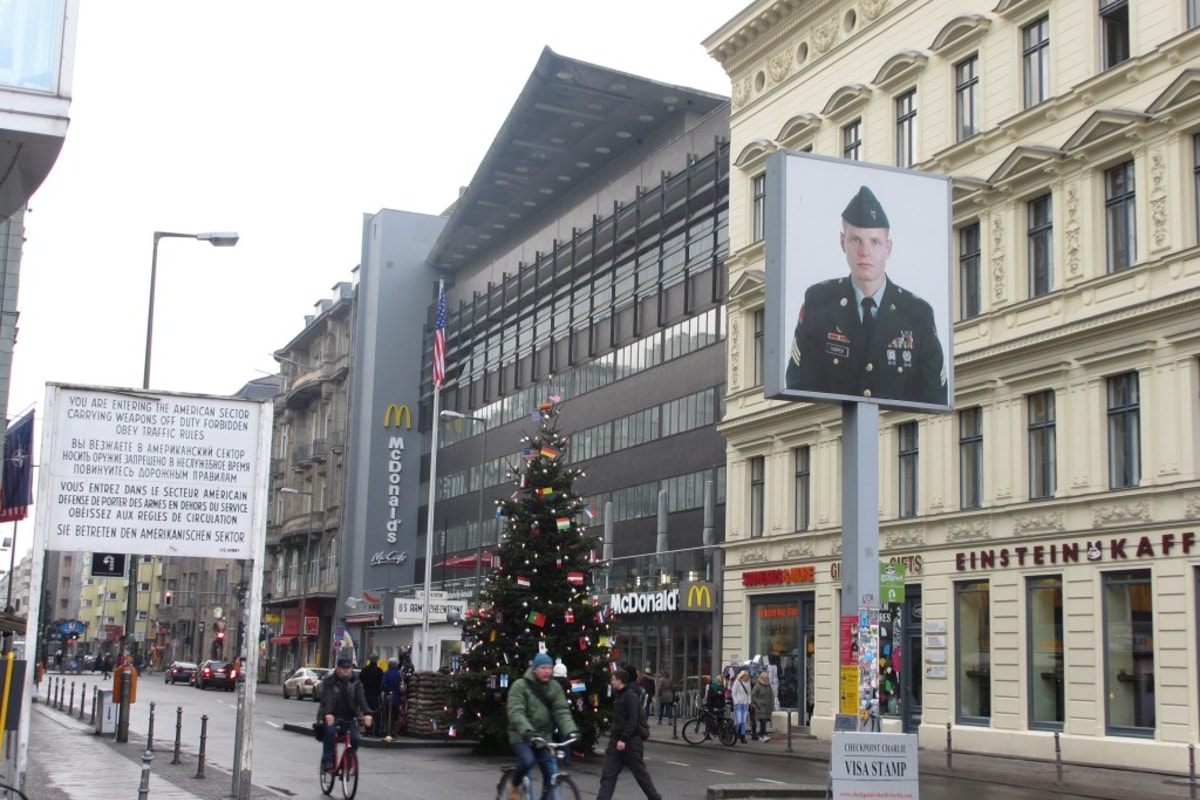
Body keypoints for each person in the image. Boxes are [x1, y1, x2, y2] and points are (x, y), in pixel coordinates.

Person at [785, 184, 946, 405]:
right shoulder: (819, 303)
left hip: (895, 431)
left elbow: (935, 396)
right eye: (856, 240)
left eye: (875, 242)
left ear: (888, 248)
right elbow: (798, 386)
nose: (865, 251)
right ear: (843, 243)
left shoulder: (918, 314)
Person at [505, 652, 578, 800]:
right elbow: (516, 711)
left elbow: (561, 711)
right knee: (528, 760)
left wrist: (572, 731)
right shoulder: (520, 686)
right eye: (544, 667)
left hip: (542, 736)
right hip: (521, 735)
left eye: (550, 668)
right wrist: (526, 730)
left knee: (550, 773)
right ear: (535, 669)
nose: (547, 671)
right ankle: (513, 784)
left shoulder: (554, 687)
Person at [595, 668, 663, 800]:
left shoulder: (630, 696)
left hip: (630, 742)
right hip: (616, 742)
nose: (611, 682)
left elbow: (633, 719)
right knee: (608, 775)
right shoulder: (618, 695)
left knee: (641, 775)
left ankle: (655, 798)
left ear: (620, 681)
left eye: (613, 679)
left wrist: (624, 739)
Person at [318, 657, 372, 773]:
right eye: (343, 668)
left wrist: (367, 713)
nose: (346, 670)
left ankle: (347, 763)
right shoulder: (330, 681)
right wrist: (328, 713)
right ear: (338, 668)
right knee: (330, 733)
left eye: (348, 668)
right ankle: (327, 762)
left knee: (355, 739)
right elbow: (327, 698)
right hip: (332, 716)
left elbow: (360, 697)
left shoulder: (355, 681)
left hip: (349, 717)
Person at [359, 654, 384, 736]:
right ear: (376, 660)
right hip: (376, 694)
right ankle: (377, 732)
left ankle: (368, 731)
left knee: (367, 714)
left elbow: (360, 681)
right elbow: (382, 683)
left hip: (366, 694)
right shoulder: (379, 671)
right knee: (377, 714)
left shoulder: (364, 670)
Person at [380, 658, 404, 737]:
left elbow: (383, 684)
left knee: (387, 714)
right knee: (396, 715)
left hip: (388, 697)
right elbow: (402, 685)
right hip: (397, 697)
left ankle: (387, 731)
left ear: (389, 665)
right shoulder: (399, 674)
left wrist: (386, 690)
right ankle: (395, 731)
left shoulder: (386, 673)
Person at [751, 672, 775, 741]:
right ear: (761, 678)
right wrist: (758, 703)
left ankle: (763, 734)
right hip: (760, 706)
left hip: (767, 706)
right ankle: (763, 735)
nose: (766, 679)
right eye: (765, 678)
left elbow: (771, 695)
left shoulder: (768, 686)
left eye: (767, 678)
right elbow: (753, 695)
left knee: (765, 720)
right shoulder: (757, 686)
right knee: (763, 720)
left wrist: (772, 705)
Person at [730, 669, 752, 744]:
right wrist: (735, 702)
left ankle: (743, 736)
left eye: (747, 676)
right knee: (738, 720)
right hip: (738, 704)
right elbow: (733, 692)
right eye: (745, 676)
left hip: (745, 704)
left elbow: (749, 693)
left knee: (743, 721)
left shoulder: (748, 682)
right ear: (742, 676)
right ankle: (732, 730)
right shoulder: (737, 682)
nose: (747, 677)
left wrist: (748, 702)